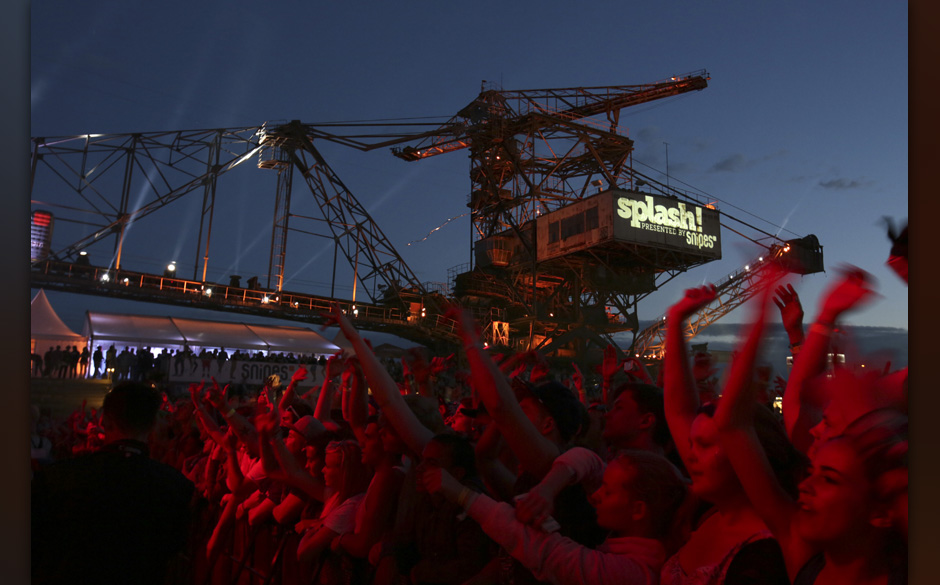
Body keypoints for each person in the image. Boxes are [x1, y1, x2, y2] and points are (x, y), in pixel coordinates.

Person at [661, 283, 795, 585]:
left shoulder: (768, 549)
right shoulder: (712, 511)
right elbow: (678, 411)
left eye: (705, 444)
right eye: (693, 443)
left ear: (749, 448)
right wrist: (676, 322)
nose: (690, 455)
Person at [418, 449, 686, 585]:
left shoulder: (633, 574)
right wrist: (547, 489)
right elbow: (588, 459)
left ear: (638, 510)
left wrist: (462, 495)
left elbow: (546, 552)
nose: (596, 495)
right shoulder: (636, 542)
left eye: (607, 490)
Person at [31, 381, 195, 585]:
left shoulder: (58, 478)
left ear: (106, 422)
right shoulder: (175, 487)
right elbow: (175, 549)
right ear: (153, 425)